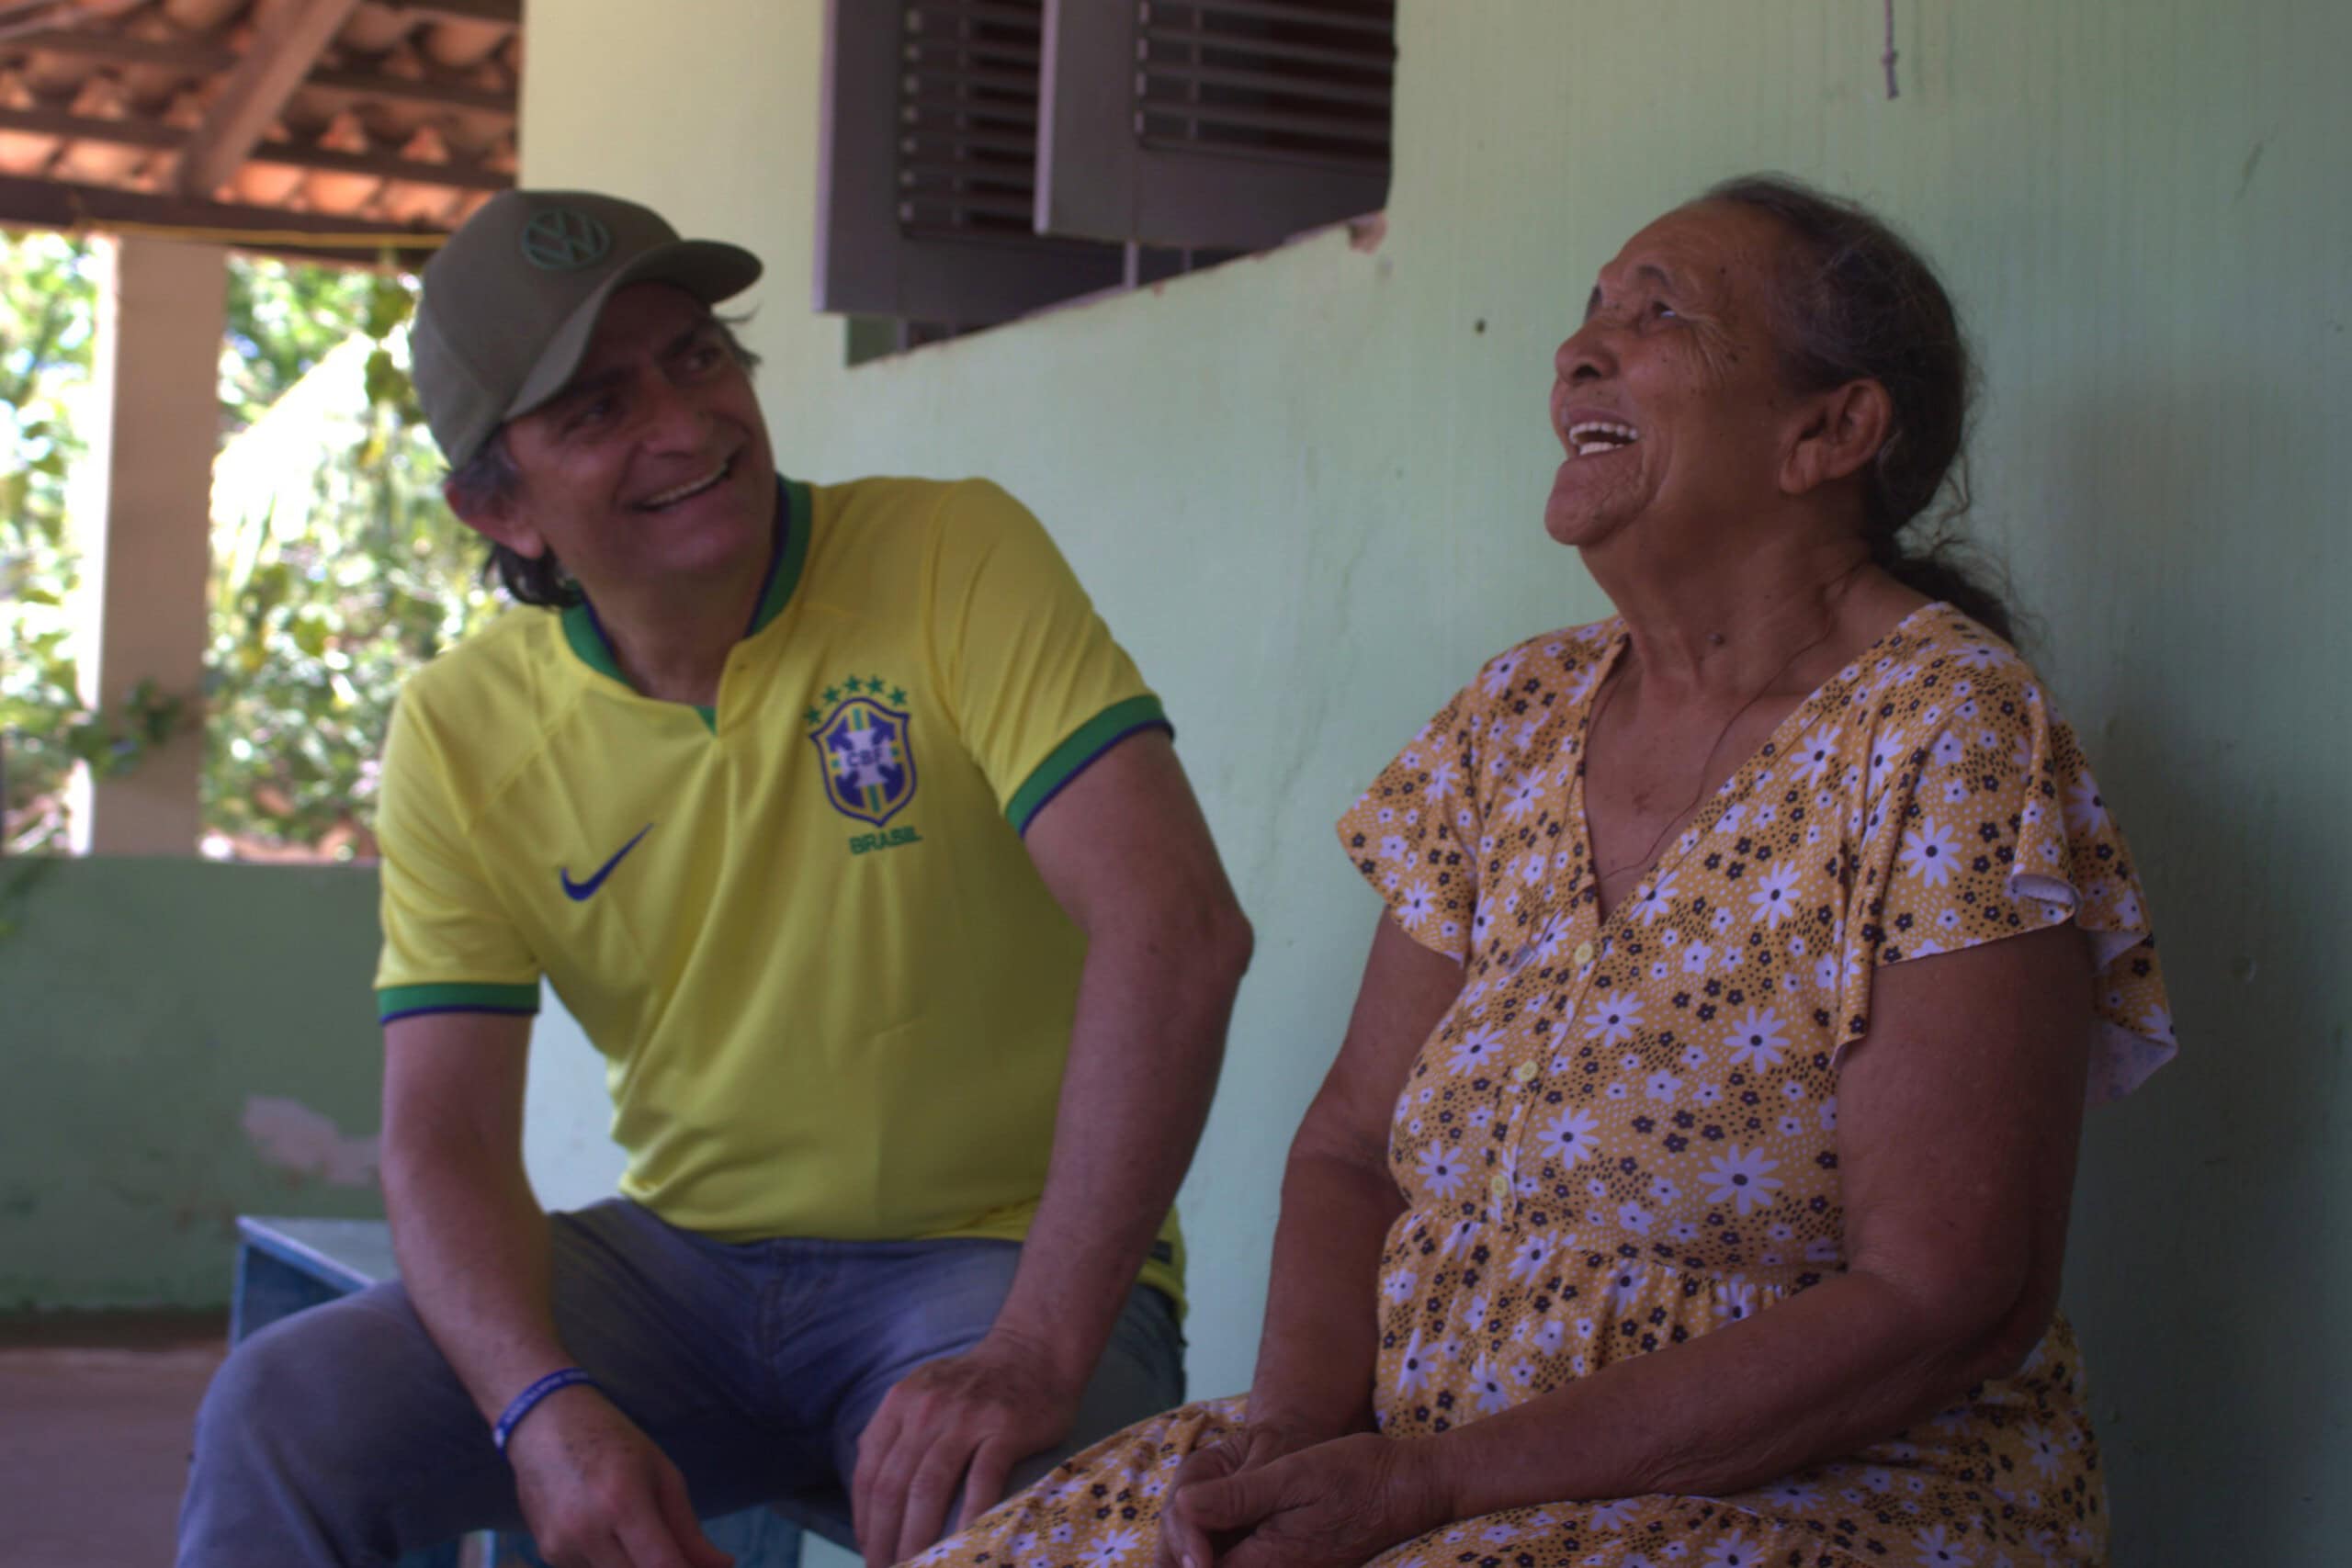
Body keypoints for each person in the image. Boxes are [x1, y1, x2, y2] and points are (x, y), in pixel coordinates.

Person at [908, 175, 2177, 1568]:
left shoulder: (1946, 731)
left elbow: (1951, 1295)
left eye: (1659, 314)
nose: (1580, 348)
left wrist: (1441, 1486)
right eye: (1589, 309)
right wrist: (1290, 1438)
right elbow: (1348, 1147)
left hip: (1801, 1496)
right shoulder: (1511, 718)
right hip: (1407, 1454)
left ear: (1830, 430)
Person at [175, 189, 1254, 1568]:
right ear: (499, 506)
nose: (686, 425)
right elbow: (440, 1137)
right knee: (284, 1409)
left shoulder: (946, 555)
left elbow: (1176, 926)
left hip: (993, 1270)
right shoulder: (461, 729)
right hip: (679, 1272)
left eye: (698, 356)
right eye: (595, 408)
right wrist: (543, 1409)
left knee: (1032, 1504)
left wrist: (1037, 1351)